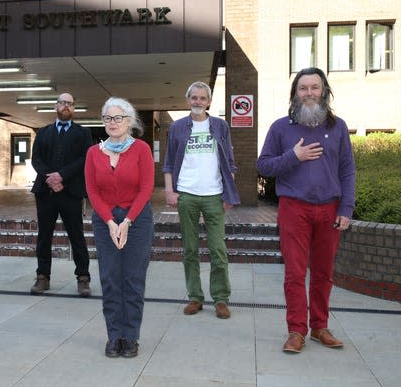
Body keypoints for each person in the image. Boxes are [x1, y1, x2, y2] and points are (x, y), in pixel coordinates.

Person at [257, 67, 356, 354]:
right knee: (295, 273)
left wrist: (346, 207)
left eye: (315, 87)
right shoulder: (280, 128)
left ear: (324, 91)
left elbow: (347, 170)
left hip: (330, 209)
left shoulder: (337, 127)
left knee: (324, 272)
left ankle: (320, 327)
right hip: (293, 209)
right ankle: (296, 330)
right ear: (295, 94)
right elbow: (264, 166)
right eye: (303, 88)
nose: (309, 93)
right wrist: (293, 157)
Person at [163, 81, 240, 319]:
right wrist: (169, 191)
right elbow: (168, 163)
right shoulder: (177, 127)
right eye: (194, 98)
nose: (198, 102)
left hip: (214, 196)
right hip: (186, 194)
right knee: (190, 249)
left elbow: (229, 162)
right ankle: (195, 297)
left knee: (218, 249)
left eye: (202, 98)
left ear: (208, 101)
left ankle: (221, 298)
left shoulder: (220, 126)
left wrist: (229, 192)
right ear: (188, 100)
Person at [84, 97, 154, 358]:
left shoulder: (142, 149)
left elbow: (146, 188)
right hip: (105, 222)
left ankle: (131, 336)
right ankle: (114, 336)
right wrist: (111, 222)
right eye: (107, 118)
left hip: (136, 221)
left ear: (129, 121)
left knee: (133, 279)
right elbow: (92, 190)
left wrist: (126, 221)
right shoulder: (93, 153)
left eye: (118, 118)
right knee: (111, 279)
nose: (112, 123)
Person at [30, 92, 93, 297]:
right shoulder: (43, 132)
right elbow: (36, 159)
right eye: (63, 102)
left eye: (70, 103)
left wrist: (61, 176)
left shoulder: (83, 133)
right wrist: (50, 177)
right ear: (55, 106)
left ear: (74, 108)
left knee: (77, 236)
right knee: (44, 237)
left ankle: (83, 278)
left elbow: (85, 159)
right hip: (45, 192)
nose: (66, 106)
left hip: (71, 193)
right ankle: (42, 277)